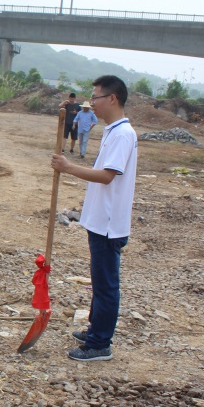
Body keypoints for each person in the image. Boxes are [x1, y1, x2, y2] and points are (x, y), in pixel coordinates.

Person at [50, 75, 137, 362]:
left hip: (110, 224)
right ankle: (95, 329)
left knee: (107, 283)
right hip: (102, 221)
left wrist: (68, 167)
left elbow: (107, 175)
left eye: (96, 98)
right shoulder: (114, 130)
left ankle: (101, 343)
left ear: (112, 98)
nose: (93, 104)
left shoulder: (123, 134)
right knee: (99, 282)